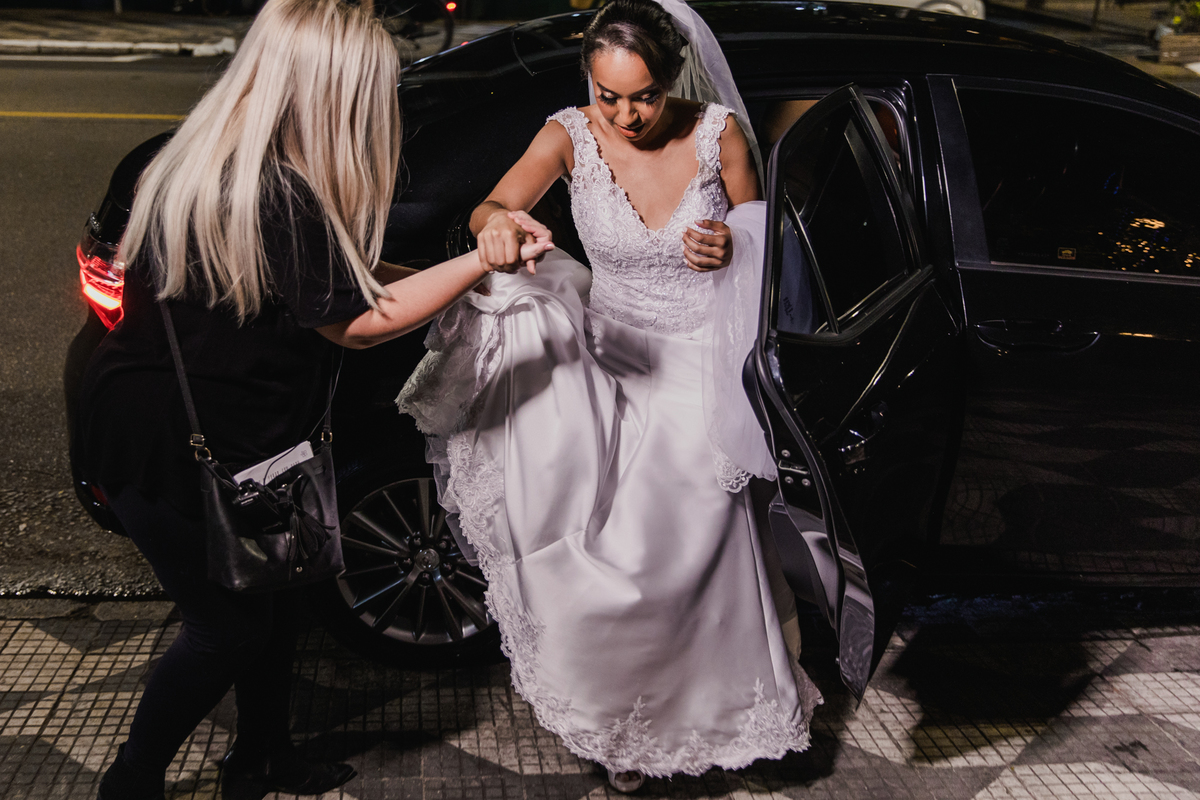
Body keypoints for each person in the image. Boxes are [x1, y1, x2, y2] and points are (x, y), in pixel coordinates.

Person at [75, 2, 550, 799]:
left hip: (237, 431)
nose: (385, 104)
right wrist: (479, 265)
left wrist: (463, 279)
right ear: (326, 90)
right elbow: (357, 323)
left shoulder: (240, 158)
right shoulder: (276, 190)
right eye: (374, 88)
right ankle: (130, 781)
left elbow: (343, 276)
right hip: (168, 443)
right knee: (225, 631)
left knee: (279, 600)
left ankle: (263, 758)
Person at [397, 0, 822, 791]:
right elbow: (492, 205)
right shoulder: (569, 134)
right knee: (606, 565)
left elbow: (768, 246)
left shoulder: (720, 134)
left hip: (699, 369)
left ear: (674, 77)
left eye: (645, 97)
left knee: (694, 554)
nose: (625, 116)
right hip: (607, 359)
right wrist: (496, 226)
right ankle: (627, 725)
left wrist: (732, 245)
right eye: (608, 96)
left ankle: (719, 716)